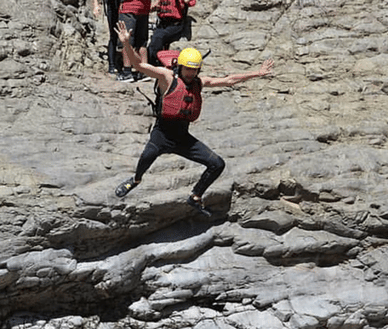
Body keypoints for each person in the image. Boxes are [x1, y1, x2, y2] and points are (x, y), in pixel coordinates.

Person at [113, 20, 275, 216]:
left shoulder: (200, 82)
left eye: (194, 69)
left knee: (217, 164)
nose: (191, 73)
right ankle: (135, 181)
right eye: (188, 69)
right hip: (161, 136)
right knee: (146, 159)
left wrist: (257, 73)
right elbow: (139, 65)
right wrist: (126, 44)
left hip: (183, 139)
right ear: (180, 66)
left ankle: (195, 196)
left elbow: (229, 80)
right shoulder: (167, 78)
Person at [148, 0, 196, 67]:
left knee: (158, 38)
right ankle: (152, 64)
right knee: (154, 41)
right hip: (162, 23)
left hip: (175, 24)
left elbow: (191, 2)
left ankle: (152, 65)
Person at [116, 0, 152, 82]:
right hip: (144, 8)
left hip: (129, 7)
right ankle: (144, 72)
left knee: (126, 39)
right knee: (142, 42)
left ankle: (127, 72)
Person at [92, 0, 123, 75]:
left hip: (125, 6)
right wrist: (96, 5)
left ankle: (122, 65)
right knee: (114, 35)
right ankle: (112, 65)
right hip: (112, 5)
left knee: (123, 35)